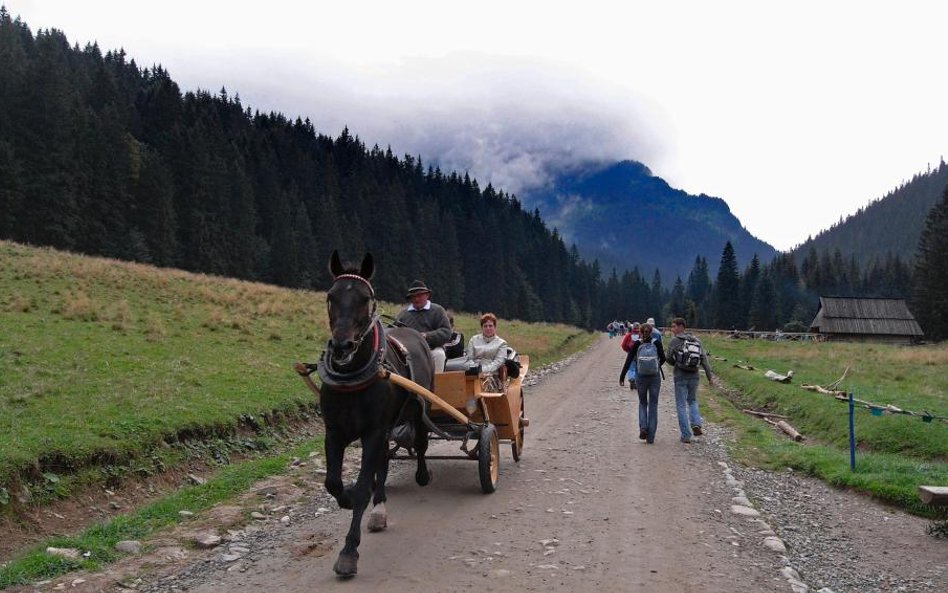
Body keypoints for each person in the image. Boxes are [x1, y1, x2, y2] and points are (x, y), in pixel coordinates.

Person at [665, 317, 715, 443]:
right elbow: (703, 359)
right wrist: (710, 377)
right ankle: (696, 423)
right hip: (694, 375)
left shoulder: (674, 341)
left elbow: (669, 359)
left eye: (674, 326)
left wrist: (677, 362)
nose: (672, 329)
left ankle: (686, 435)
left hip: (680, 375)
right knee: (692, 401)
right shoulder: (696, 340)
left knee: (681, 405)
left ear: (681, 327)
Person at [620, 323, 665, 443]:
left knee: (643, 403)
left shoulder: (637, 344)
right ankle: (651, 437)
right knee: (653, 405)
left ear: (640, 332)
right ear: (651, 332)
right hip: (654, 377)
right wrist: (656, 366)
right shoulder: (656, 343)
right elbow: (663, 358)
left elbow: (629, 359)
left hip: (641, 377)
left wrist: (622, 376)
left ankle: (643, 428)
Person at [395, 279, 452, 372]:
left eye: (420, 296)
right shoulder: (403, 315)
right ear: (410, 299)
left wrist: (427, 336)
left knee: (439, 355)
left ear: (427, 295)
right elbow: (393, 331)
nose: (417, 299)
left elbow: (446, 332)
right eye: (414, 297)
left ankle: (436, 384)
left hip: (431, 350)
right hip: (408, 352)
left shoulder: (438, 310)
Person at [465, 313, 509, 391]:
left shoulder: (502, 343)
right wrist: (475, 370)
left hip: (492, 374)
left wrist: (483, 370)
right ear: (482, 327)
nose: (488, 328)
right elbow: (469, 358)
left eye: (490, 326)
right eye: (485, 326)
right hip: (474, 372)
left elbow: (498, 362)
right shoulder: (473, 339)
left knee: (485, 383)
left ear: (495, 327)